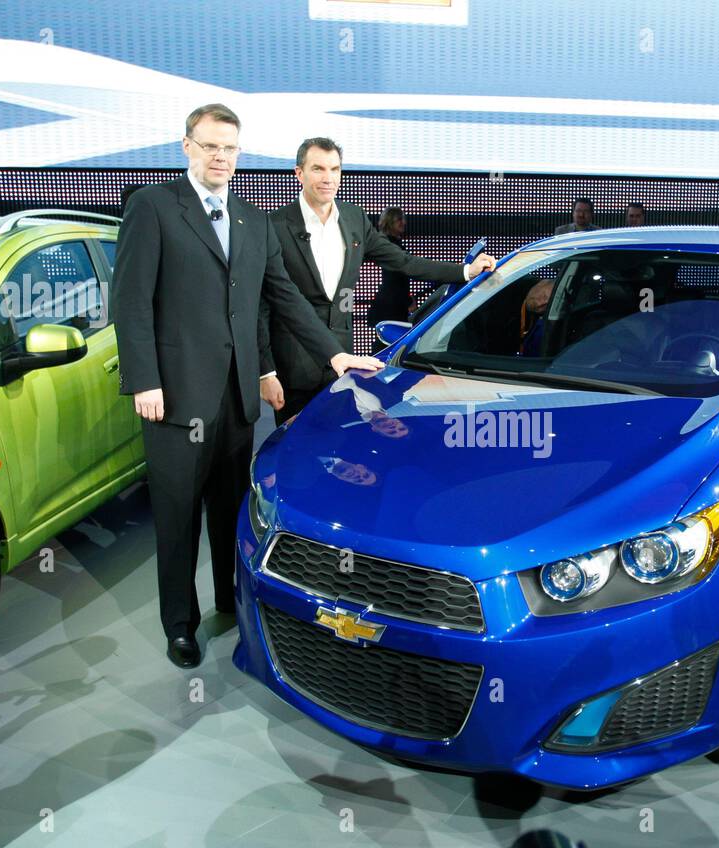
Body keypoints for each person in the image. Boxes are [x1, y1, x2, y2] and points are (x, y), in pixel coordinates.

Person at [111, 105, 382, 669]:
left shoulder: (252, 220)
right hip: (175, 399)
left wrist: (336, 355)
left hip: (235, 400)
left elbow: (282, 296)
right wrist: (144, 379)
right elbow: (131, 300)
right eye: (210, 146)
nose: (220, 158)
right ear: (186, 146)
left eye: (230, 149)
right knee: (178, 519)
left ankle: (228, 604)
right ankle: (180, 625)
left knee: (229, 513)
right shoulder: (154, 206)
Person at [264, 138, 496, 425]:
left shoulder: (353, 218)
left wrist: (465, 272)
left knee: (339, 445)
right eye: (318, 169)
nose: (328, 178)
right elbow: (264, 305)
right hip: (294, 366)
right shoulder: (273, 225)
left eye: (334, 169)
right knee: (292, 453)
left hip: (341, 365)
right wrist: (266, 373)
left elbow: (403, 262)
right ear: (299, 173)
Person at [365, 207, 411, 327]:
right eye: (399, 219)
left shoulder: (387, 243)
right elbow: (396, 278)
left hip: (390, 304)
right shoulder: (389, 245)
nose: (403, 223)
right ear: (390, 222)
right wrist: (408, 301)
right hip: (392, 305)